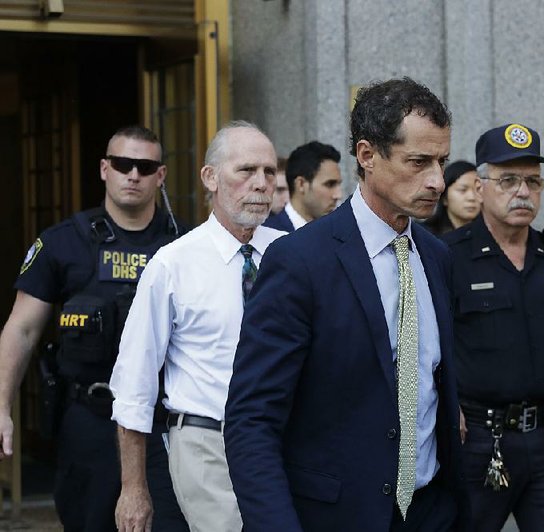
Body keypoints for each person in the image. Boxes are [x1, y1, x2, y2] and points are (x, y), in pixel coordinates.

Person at [225, 77, 467, 531]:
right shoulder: (300, 262)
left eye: (442, 161)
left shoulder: (437, 258)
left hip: (433, 510)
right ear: (367, 155)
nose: (437, 180)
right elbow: (252, 421)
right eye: (418, 161)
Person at [0, 126, 188, 532]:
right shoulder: (63, 244)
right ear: (105, 169)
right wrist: (1, 406)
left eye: (145, 166)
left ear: (161, 175)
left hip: (163, 424)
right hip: (90, 419)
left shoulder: (186, 247)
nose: (133, 174)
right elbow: (21, 329)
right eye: (122, 164)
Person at [110, 121, 285, 532]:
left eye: (269, 172)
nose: (260, 184)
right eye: (246, 171)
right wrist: (133, 488)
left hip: (284, 440)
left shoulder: (290, 254)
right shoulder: (173, 264)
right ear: (210, 177)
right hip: (206, 442)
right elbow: (135, 382)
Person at [443, 123, 544, 532]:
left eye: (533, 181)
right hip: (478, 440)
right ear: (479, 187)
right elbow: (422, 341)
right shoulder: (449, 257)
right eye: (508, 180)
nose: (523, 192)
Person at [263, 141, 343, 232]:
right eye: (330, 184)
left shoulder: (338, 233)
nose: (338, 195)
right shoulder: (267, 234)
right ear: (301, 184)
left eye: (338, 184)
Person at [424, 160, 481, 236]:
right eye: (462, 190)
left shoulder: (491, 234)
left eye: (478, 189)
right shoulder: (425, 235)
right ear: (444, 198)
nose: (472, 197)